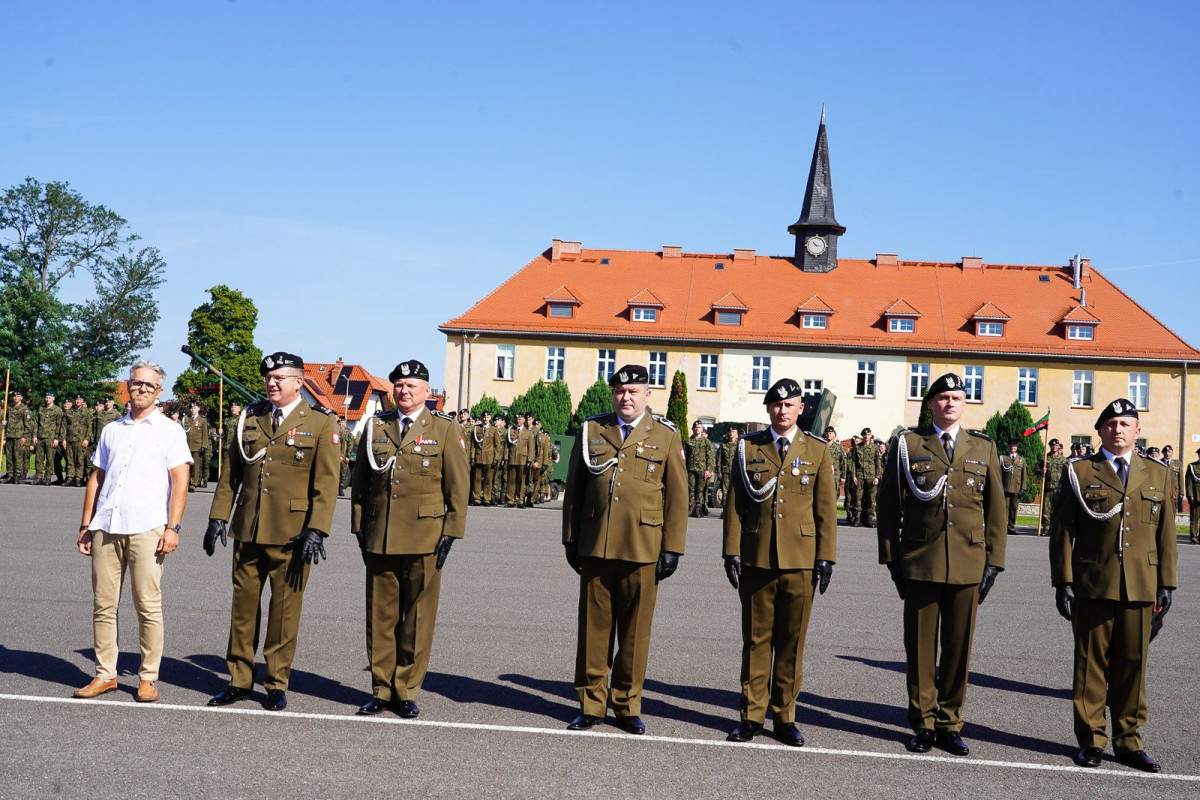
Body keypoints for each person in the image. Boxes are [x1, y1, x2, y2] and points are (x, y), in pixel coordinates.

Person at [877, 372, 1006, 756]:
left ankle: (950, 722)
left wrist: (994, 562)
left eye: (957, 398)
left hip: (968, 562)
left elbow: (996, 511)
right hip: (920, 561)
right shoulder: (908, 445)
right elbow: (888, 506)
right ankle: (923, 722)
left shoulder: (982, 447)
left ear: (965, 404)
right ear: (931, 403)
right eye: (943, 397)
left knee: (957, 648)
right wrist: (892, 559)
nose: (950, 403)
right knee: (919, 649)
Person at [203, 352, 340, 711]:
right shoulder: (251, 417)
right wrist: (218, 517)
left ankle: (276, 682)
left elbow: (327, 484)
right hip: (248, 528)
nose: (272, 382)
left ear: (299, 381)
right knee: (243, 610)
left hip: (292, 534)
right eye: (268, 377)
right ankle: (239, 680)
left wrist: (317, 529)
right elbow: (231, 473)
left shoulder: (320, 422)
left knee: (283, 613)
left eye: (280, 377)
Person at [1049, 398, 1177, 772]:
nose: (1118, 429)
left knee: (1133, 665)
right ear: (1101, 430)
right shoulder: (1079, 471)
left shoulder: (1157, 473)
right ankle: (1091, 740)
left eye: (1125, 423)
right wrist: (1063, 581)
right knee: (1090, 665)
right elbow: (1062, 532)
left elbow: (1166, 533)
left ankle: (1128, 742)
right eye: (1111, 424)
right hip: (1093, 582)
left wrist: (1167, 583)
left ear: (1137, 430)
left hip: (1141, 584)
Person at [562, 364, 687, 735]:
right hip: (596, 544)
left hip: (643, 546)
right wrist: (571, 539)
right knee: (594, 630)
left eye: (633, 391)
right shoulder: (592, 429)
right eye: (620, 391)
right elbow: (575, 489)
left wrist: (673, 548)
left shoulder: (665, 434)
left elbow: (677, 496)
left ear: (647, 395)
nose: (626, 397)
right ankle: (591, 705)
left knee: (635, 633)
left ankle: (627, 705)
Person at [351, 360, 469, 718]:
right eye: (399, 385)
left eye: (412, 385)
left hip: (425, 538)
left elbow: (458, 485)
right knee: (380, 616)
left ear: (427, 392)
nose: (404, 391)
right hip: (381, 535)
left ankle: (405, 690)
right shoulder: (376, 426)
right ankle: (381, 689)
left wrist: (452, 532)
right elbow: (360, 482)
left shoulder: (444, 428)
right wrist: (359, 527)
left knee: (418, 617)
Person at [722, 378, 836, 746]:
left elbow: (825, 510)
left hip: (801, 560)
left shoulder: (817, 450)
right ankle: (752, 716)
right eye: (776, 404)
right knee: (756, 641)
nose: (782, 410)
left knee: (791, 642)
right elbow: (735, 504)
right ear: (768, 408)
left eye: (789, 405)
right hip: (757, 557)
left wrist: (826, 557)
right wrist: (731, 550)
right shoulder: (748, 447)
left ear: (801, 408)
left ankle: (785, 717)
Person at [72, 360, 191, 703]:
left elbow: (180, 480)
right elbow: (97, 478)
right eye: (137, 383)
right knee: (103, 605)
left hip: (148, 528)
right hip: (107, 526)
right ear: (128, 386)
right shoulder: (112, 430)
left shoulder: (170, 431)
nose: (141, 389)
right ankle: (105, 674)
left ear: (159, 391)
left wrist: (173, 527)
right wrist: (86, 524)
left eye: (149, 385)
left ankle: (148, 677)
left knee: (147, 606)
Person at [851, 428, 882, 527]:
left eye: (868, 435)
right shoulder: (857, 447)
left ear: (871, 435)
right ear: (862, 436)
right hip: (860, 476)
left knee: (871, 498)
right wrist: (853, 476)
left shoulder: (875, 448)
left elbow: (878, 463)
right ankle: (857, 518)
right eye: (864, 435)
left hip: (871, 477)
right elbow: (853, 462)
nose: (866, 437)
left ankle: (868, 518)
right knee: (858, 497)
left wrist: (877, 477)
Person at [32, 390, 64, 486]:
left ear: (53, 398)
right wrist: (34, 435)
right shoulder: (41, 409)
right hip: (40, 437)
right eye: (46, 397)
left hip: (51, 438)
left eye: (49, 397)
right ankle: (38, 477)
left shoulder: (57, 410)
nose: (47, 399)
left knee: (50, 459)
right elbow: (36, 423)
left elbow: (59, 425)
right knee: (39, 459)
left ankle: (48, 477)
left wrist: (56, 438)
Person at [1038, 439, 1068, 537]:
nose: (1054, 447)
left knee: (1057, 509)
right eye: (1052, 445)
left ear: (1058, 446)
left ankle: (1055, 528)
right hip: (1048, 487)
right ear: (1050, 446)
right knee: (1046, 509)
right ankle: (1046, 528)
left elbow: (1067, 472)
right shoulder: (1044, 458)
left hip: (1059, 488)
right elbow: (1036, 469)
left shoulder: (1063, 460)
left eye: (1056, 445)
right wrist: (1041, 471)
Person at [2, 390, 33, 484]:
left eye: (18, 396)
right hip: (9, 435)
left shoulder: (24, 409)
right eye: (14, 396)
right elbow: (6, 419)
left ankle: (17, 475)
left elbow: (28, 425)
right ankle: (10, 475)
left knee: (17, 457)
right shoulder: (9, 407)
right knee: (9, 457)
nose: (16, 398)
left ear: (21, 398)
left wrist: (25, 437)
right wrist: (4, 423)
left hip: (19, 436)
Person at [685, 420, 715, 517]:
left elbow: (710, 457)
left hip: (702, 469)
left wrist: (709, 470)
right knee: (691, 489)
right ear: (693, 429)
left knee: (700, 489)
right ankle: (691, 507)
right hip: (690, 468)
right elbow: (685, 456)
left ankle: (698, 508)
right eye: (696, 427)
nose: (697, 429)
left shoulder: (706, 442)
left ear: (702, 429)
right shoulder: (688, 441)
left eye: (699, 427)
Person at [63, 394, 92, 487]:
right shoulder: (69, 411)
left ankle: (78, 479)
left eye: (80, 399)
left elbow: (89, 427)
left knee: (80, 461)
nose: (78, 401)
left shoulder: (87, 412)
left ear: (82, 401)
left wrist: (87, 439)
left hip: (81, 440)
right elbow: (64, 426)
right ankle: (70, 478)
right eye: (76, 399)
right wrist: (63, 439)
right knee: (70, 460)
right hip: (70, 439)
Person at [1000, 440, 1027, 536]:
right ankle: (1002, 527)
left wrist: (1023, 488)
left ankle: (1011, 527)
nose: (1013, 448)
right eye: (1011, 446)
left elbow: (1024, 475)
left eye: (1014, 446)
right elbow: (999, 473)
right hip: (1005, 487)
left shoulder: (1021, 460)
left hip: (1016, 488)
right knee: (1004, 508)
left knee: (1014, 509)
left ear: (1017, 447)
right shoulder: (1003, 458)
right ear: (1008, 447)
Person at [505, 412, 533, 507]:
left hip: (523, 460)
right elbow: (507, 446)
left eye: (520, 419)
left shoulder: (528, 433)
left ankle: (520, 500)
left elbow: (531, 448)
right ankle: (510, 500)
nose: (518, 421)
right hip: (512, 458)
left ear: (524, 420)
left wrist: (529, 461)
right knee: (511, 480)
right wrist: (506, 458)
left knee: (521, 481)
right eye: (517, 419)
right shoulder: (511, 431)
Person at [469, 410, 495, 505]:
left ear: (490, 418)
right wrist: (472, 457)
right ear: (481, 418)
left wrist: (496, 459)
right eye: (484, 417)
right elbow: (473, 444)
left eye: (487, 417)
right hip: (478, 456)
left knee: (488, 479)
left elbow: (497, 445)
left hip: (489, 457)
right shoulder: (477, 428)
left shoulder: (494, 429)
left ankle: (486, 498)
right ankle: (477, 498)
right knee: (477, 479)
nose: (485, 419)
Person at [183, 401, 209, 492]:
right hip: (187, 446)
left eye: (194, 408)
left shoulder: (202, 420)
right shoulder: (186, 419)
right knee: (187, 466)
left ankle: (193, 484)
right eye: (191, 408)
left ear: (198, 409)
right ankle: (186, 483)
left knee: (195, 466)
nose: (192, 410)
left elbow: (205, 434)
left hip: (197, 446)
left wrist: (204, 446)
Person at [715, 427, 740, 508]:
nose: (731, 433)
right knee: (725, 491)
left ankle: (733, 509)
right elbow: (719, 459)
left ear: (737, 434)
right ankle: (725, 509)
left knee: (735, 491)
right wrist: (719, 471)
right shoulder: (723, 445)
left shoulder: (740, 445)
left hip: (736, 471)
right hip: (725, 471)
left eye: (733, 432)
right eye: (730, 432)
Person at [823, 426, 845, 515]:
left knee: (834, 494)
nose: (828, 435)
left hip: (835, 475)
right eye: (827, 433)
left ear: (834, 435)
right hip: (823, 474)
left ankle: (831, 513)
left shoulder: (838, 447)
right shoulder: (821, 445)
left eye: (830, 433)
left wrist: (843, 476)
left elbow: (843, 462)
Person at [1162, 445, 1182, 513]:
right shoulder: (1159, 462)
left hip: (1174, 491)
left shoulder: (1177, 463)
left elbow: (1180, 479)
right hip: (1162, 491)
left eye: (1169, 452)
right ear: (1162, 453)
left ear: (1172, 452)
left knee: (1172, 511)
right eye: (1165, 452)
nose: (1167, 453)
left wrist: (1181, 493)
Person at [1187, 447, 1200, 545]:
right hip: (1196, 495)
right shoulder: (1192, 466)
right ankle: (1194, 537)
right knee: (1194, 518)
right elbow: (1189, 482)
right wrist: (1190, 495)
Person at [337, 417, 353, 496]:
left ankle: (341, 489)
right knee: (335, 472)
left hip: (343, 456)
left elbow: (350, 444)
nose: (341, 423)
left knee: (343, 473)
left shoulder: (348, 432)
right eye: (340, 422)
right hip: (335, 455)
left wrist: (348, 456)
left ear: (345, 423)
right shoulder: (335, 430)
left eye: (342, 422)